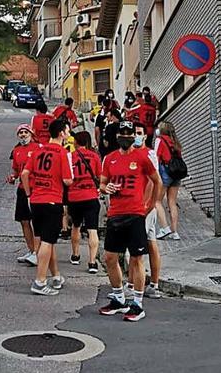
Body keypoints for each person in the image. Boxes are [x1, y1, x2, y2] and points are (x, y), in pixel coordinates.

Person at [98, 120, 161, 321]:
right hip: (116, 213)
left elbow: (156, 180)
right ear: (118, 136)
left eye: (129, 133)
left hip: (135, 213)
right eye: (122, 133)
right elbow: (102, 183)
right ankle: (118, 299)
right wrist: (105, 189)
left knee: (136, 258)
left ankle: (137, 304)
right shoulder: (110, 159)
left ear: (134, 135)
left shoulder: (142, 157)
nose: (125, 136)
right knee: (110, 257)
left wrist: (150, 205)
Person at [21, 118, 74, 296]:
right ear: (61, 133)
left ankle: (56, 275)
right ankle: (40, 281)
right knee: (48, 241)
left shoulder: (38, 150)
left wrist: (29, 193)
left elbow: (25, 173)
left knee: (45, 239)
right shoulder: (62, 152)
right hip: (52, 200)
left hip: (36, 200)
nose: (69, 134)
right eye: (67, 131)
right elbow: (67, 180)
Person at [67, 131, 101, 274]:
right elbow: (100, 176)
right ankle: (92, 262)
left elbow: (67, 177)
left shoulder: (70, 157)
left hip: (74, 196)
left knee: (76, 226)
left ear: (76, 142)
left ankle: (75, 255)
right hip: (91, 196)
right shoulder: (94, 156)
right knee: (92, 230)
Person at [7, 124, 39, 267]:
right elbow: (16, 170)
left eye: (26, 132)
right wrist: (12, 177)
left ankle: (38, 252)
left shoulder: (38, 148)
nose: (23, 135)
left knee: (37, 222)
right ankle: (31, 250)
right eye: (20, 133)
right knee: (24, 221)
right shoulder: (17, 151)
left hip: (36, 188)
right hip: (21, 189)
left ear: (31, 134)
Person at [139, 122, 164, 299]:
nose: (135, 136)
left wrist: (148, 204)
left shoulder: (149, 154)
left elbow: (152, 181)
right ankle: (152, 284)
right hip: (141, 206)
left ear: (145, 136)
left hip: (144, 207)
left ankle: (138, 285)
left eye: (139, 132)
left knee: (138, 248)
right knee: (149, 241)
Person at [154, 121, 183, 240]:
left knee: (157, 201)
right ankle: (174, 231)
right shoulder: (176, 142)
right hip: (176, 173)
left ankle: (164, 228)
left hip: (165, 171)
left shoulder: (159, 140)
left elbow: (156, 157)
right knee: (172, 202)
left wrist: (155, 176)